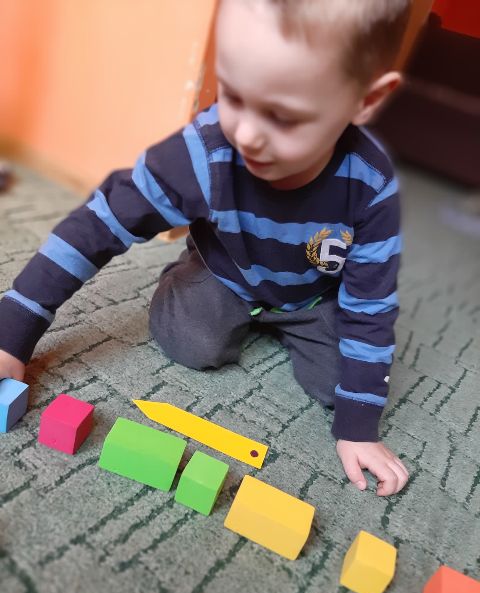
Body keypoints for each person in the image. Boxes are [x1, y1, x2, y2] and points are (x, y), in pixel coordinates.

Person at [0, 0, 411, 496]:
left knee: (343, 388)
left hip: (312, 295)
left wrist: (359, 429)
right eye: (232, 93)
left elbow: (370, 303)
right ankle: (190, 269)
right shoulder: (203, 152)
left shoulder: (372, 185)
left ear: (366, 100)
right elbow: (98, 225)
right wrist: (12, 332)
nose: (247, 135)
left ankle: (289, 330)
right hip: (227, 272)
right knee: (189, 341)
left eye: (283, 117)